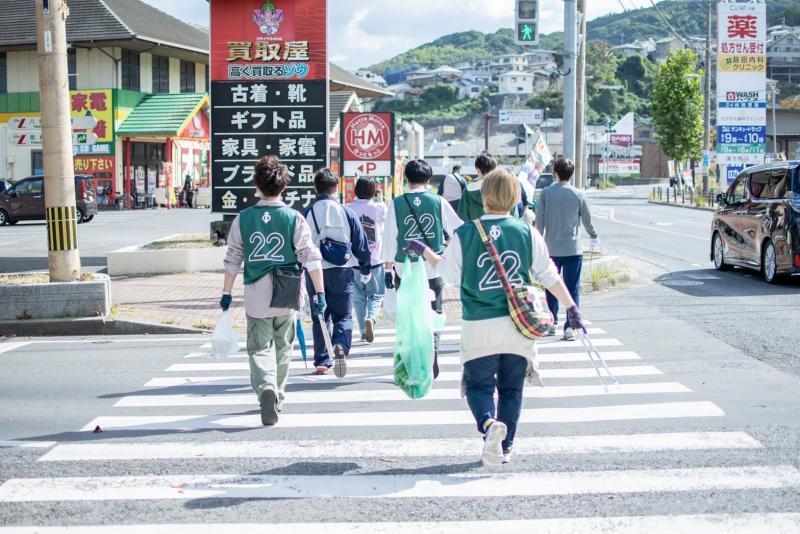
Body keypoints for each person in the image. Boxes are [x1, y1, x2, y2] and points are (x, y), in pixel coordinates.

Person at [405, 168, 586, 466]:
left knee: (479, 387)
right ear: (515, 197)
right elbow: (549, 275)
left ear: (484, 196)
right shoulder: (527, 232)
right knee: (512, 389)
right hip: (519, 326)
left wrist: (425, 251)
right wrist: (571, 308)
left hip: (479, 324)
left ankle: (489, 426)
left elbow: (448, 274)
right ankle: (506, 447)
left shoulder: (466, 233)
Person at [220, 155, 325, 426]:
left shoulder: (243, 219)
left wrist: (227, 293)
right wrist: (320, 294)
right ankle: (277, 392)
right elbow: (310, 257)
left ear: (257, 185)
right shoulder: (294, 218)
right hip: (288, 293)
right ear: (283, 187)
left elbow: (233, 258)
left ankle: (265, 387)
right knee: (283, 347)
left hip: (256, 294)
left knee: (258, 348)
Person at [382, 159, 462, 378]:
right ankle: (433, 350)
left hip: (404, 268)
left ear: (406, 179)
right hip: (433, 266)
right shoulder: (438, 201)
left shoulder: (397, 203)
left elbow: (390, 238)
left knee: (408, 314)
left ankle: (411, 360)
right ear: (429, 180)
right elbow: (459, 230)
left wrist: (388, 267)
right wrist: (448, 253)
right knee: (435, 311)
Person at [305, 168, 372, 377]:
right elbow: (360, 244)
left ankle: (322, 361)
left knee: (319, 316)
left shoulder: (306, 212)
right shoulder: (345, 212)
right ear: (336, 188)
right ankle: (341, 344)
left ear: (316, 188)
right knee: (343, 315)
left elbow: (297, 243)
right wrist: (365, 266)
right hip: (341, 271)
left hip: (314, 271)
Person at [535, 157, 598, 341]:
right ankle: (569, 327)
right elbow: (587, 220)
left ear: (555, 173)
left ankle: (552, 322)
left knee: (551, 285)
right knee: (572, 289)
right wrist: (594, 236)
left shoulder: (545, 194)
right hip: (573, 248)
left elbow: (539, 223)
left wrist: (538, 243)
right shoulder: (578, 194)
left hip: (551, 249)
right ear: (572, 174)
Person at [346, 176, 388, 343]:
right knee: (376, 294)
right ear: (372, 191)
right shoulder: (379, 207)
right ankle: (371, 318)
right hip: (375, 259)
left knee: (358, 296)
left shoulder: (347, 209)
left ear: (356, 190)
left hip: (354, 260)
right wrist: (381, 198)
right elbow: (386, 221)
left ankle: (363, 330)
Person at [457, 152, 497, 221]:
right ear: (494, 169)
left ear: (478, 170)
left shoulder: (468, 190)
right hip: (502, 230)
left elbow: (462, 218)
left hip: (475, 230)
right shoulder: (504, 188)